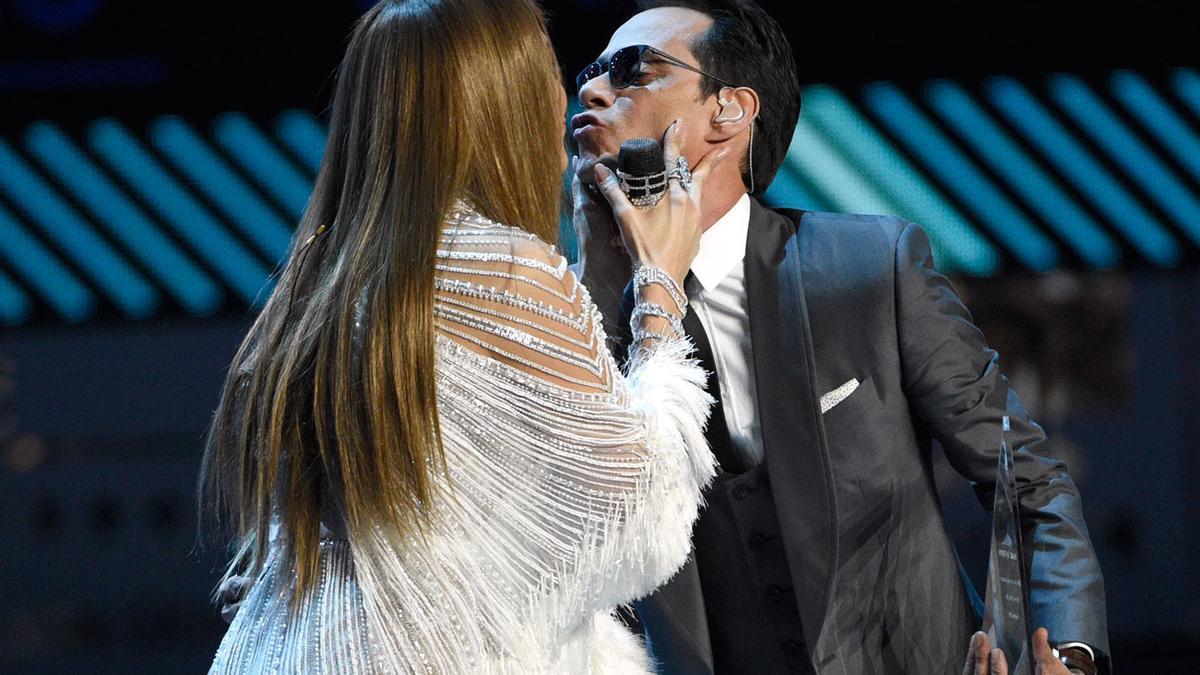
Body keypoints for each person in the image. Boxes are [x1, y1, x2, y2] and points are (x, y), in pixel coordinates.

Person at [570, 1, 1110, 673]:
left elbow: (1025, 482)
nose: (591, 88)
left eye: (634, 69)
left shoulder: (866, 267)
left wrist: (1070, 654)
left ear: (730, 111)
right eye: (592, 70)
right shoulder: (570, 320)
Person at [198, 0, 732, 671]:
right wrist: (660, 286)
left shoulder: (317, 281)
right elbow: (640, 516)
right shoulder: (504, 266)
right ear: (503, 103)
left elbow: (480, 485)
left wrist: (590, 279)